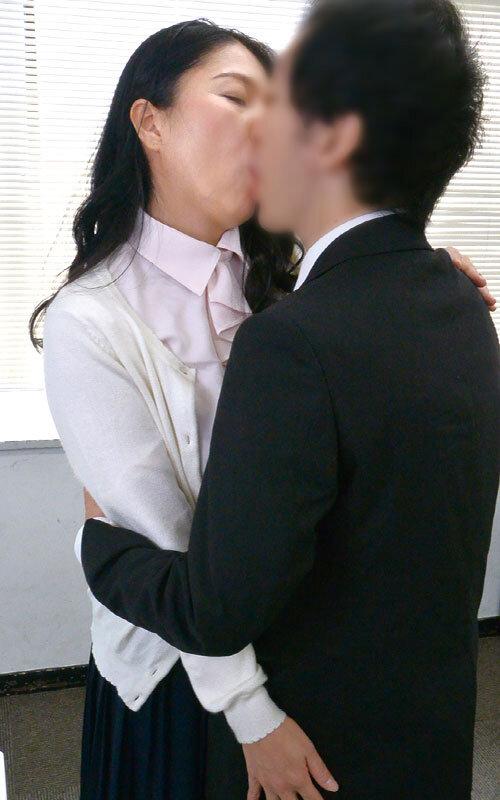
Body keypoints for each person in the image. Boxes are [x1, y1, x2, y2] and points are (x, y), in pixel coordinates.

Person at [79, 1, 500, 798]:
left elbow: (216, 608)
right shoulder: (458, 303)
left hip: (315, 757)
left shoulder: (293, 341)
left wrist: (95, 546)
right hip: (429, 742)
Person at [36, 20, 340, 800]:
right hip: (180, 680)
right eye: (237, 98)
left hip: (304, 644)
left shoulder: (293, 289)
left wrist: (424, 281)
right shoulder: (91, 319)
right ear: (150, 121)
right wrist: (250, 713)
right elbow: (161, 540)